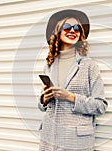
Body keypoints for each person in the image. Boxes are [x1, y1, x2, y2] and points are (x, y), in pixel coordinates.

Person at [38, 9, 108, 151]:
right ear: (58, 31)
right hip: (49, 138)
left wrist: (71, 97)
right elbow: (42, 107)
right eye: (67, 27)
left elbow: (100, 105)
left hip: (76, 141)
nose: (72, 31)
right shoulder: (49, 65)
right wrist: (44, 99)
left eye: (76, 28)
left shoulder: (89, 66)